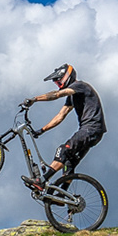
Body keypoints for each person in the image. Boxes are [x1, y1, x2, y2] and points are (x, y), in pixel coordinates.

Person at [20, 64, 105, 194]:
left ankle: (41, 181)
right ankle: (62, 195)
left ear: (67, 76)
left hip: (90, 129)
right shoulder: (72, 96)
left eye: (58, 80)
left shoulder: (79, 86)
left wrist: (35, 99)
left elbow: (57, 95)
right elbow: (60, 116)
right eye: (56, 82)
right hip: (94, 133)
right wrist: (42, 130)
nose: (57, 83)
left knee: (62, 150)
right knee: (69, 163)